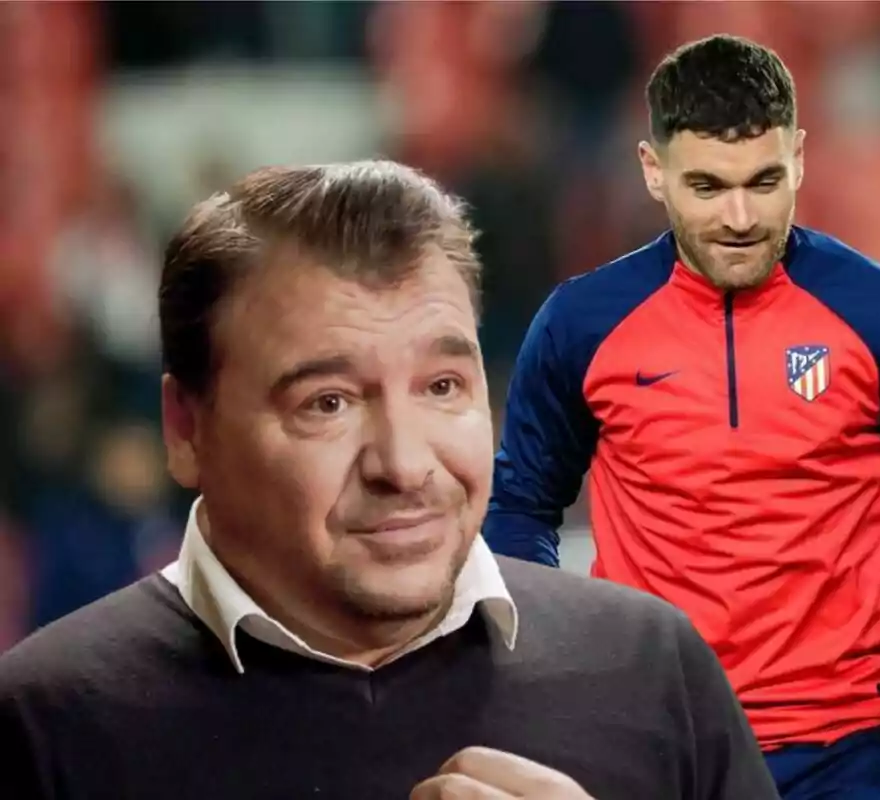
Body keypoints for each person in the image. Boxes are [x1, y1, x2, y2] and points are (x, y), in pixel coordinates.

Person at [0, 161, 779, 800]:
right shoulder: (43, 722)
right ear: (186, 429)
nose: (405, 464)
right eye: (327, 404)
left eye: (442, 387)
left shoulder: (652, 669)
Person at [483, 34, 880, 800]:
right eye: (706, 186)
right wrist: (545, 667)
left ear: (799, 158)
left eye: (763, 181)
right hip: (654, 745)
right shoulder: (582, 325)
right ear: (651, 171)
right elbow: (523, 505)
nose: (739, 217)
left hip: (848, 756)